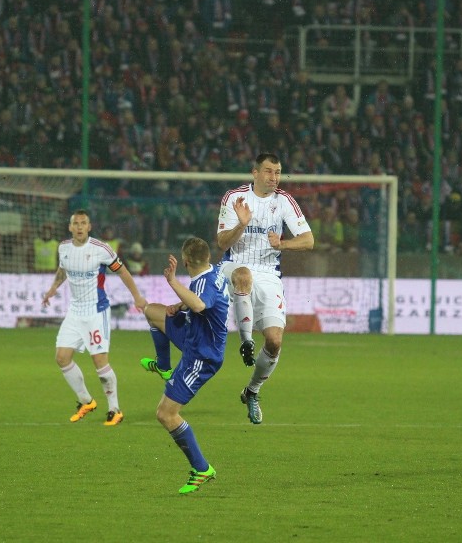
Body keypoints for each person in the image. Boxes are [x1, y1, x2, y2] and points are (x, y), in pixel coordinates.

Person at [216, 152, 314, 424]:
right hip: (234, 266)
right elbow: (222, 243)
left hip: (270, 274)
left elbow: (308, 240)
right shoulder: (234, 197)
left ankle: (252, 391)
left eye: (278, 172)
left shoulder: (284, 201)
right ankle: (246, 340)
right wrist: (241, 225)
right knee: (244, 275)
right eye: (269, 171)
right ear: (255, 173)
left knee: (274, 341)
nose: (274, 177)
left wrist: (282, 244)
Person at [139, 237, 229, 494]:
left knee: (165, 414)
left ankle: (202, 469)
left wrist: (173, 282)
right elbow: (199, 301)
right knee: (153, 312)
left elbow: (200, 303)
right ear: (207, 258)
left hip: (202, 356)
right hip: (193, 333)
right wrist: (179, 304)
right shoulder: (212, 273)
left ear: (186, 261)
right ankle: (164, 367)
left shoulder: (203, 284)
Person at [41, 210, 147, 426]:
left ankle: (114, 409)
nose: (79, 227)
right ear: (70, 227)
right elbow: (63, 269)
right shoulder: (64, 247)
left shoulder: (101, 249)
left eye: (83, 223)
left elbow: (123, 271)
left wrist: (136, 296)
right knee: (62, 358)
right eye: (75, 223)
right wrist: (53, 288)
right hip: (75, 311)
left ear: (89, 227)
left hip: (96, 311)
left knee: (100, 363)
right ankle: (86, 400)